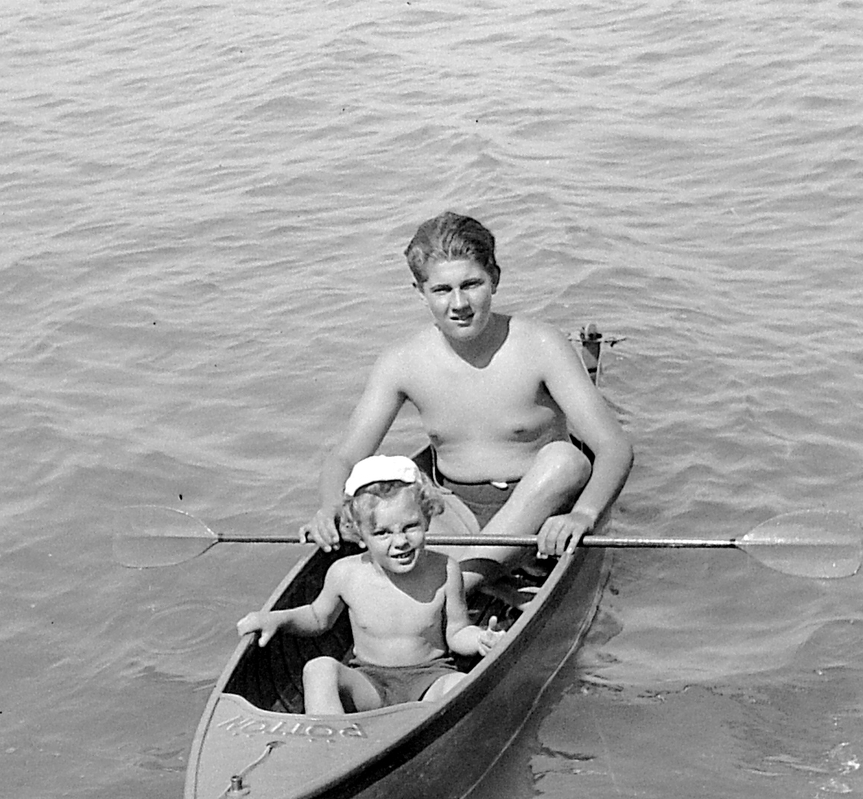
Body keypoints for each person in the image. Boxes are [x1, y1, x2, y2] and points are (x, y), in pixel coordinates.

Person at [301, 212, 633, 588]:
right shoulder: (401, 362)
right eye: (442, 290)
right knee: (373, 492)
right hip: (454, 515)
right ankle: (462, 582)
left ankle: (446, 591)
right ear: (420, 291)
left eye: (471, 284)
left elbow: (613, 446)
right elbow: (345, 457)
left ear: (495, 279)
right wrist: (330, 508)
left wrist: (584, 515)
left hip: (542, 516)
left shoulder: (541, 345)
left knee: (567, 461)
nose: (459, 303)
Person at [238, 456, 502, 713]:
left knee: (461, 685)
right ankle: (331, 739)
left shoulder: (444, 569)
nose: (400, 541)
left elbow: (456, 632)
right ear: (359, 534)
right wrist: (278, 618)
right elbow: (319, 618)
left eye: (410, 526)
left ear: (428, 520)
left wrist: (481, 639)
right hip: (370, 684)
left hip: (431, 679)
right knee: (318, 668)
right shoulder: (345, 573)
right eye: (382, 532)